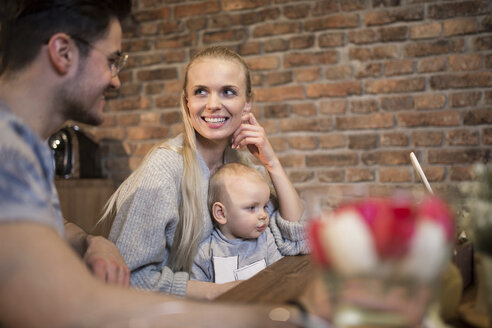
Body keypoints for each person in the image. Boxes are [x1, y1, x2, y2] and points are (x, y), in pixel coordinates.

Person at [0, 1, 325, 327]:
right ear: (62, 52)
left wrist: (89, 240)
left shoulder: (32, 149)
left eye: (228, 91)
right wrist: (260, 314)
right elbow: (74, 301)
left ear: (247, 103)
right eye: (113, 62)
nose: (117, 81)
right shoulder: (10, 146)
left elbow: (47, 231)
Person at [102, 45, 308, 300]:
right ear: (187, 102)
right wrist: (219, 292)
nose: (212, 105)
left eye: (228, 92)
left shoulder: (239, 163)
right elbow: (129, 278)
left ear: (247, 104)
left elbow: (296, 240)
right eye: (201, 92)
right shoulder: (164, 168)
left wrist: (272, 163)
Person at [191, 162, 309, 283]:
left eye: (265, 206)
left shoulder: (267, 239)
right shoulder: (205, 253)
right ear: (221, 213)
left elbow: (281, 277)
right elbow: (196, 296)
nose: (263, 215)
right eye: (252, 208)